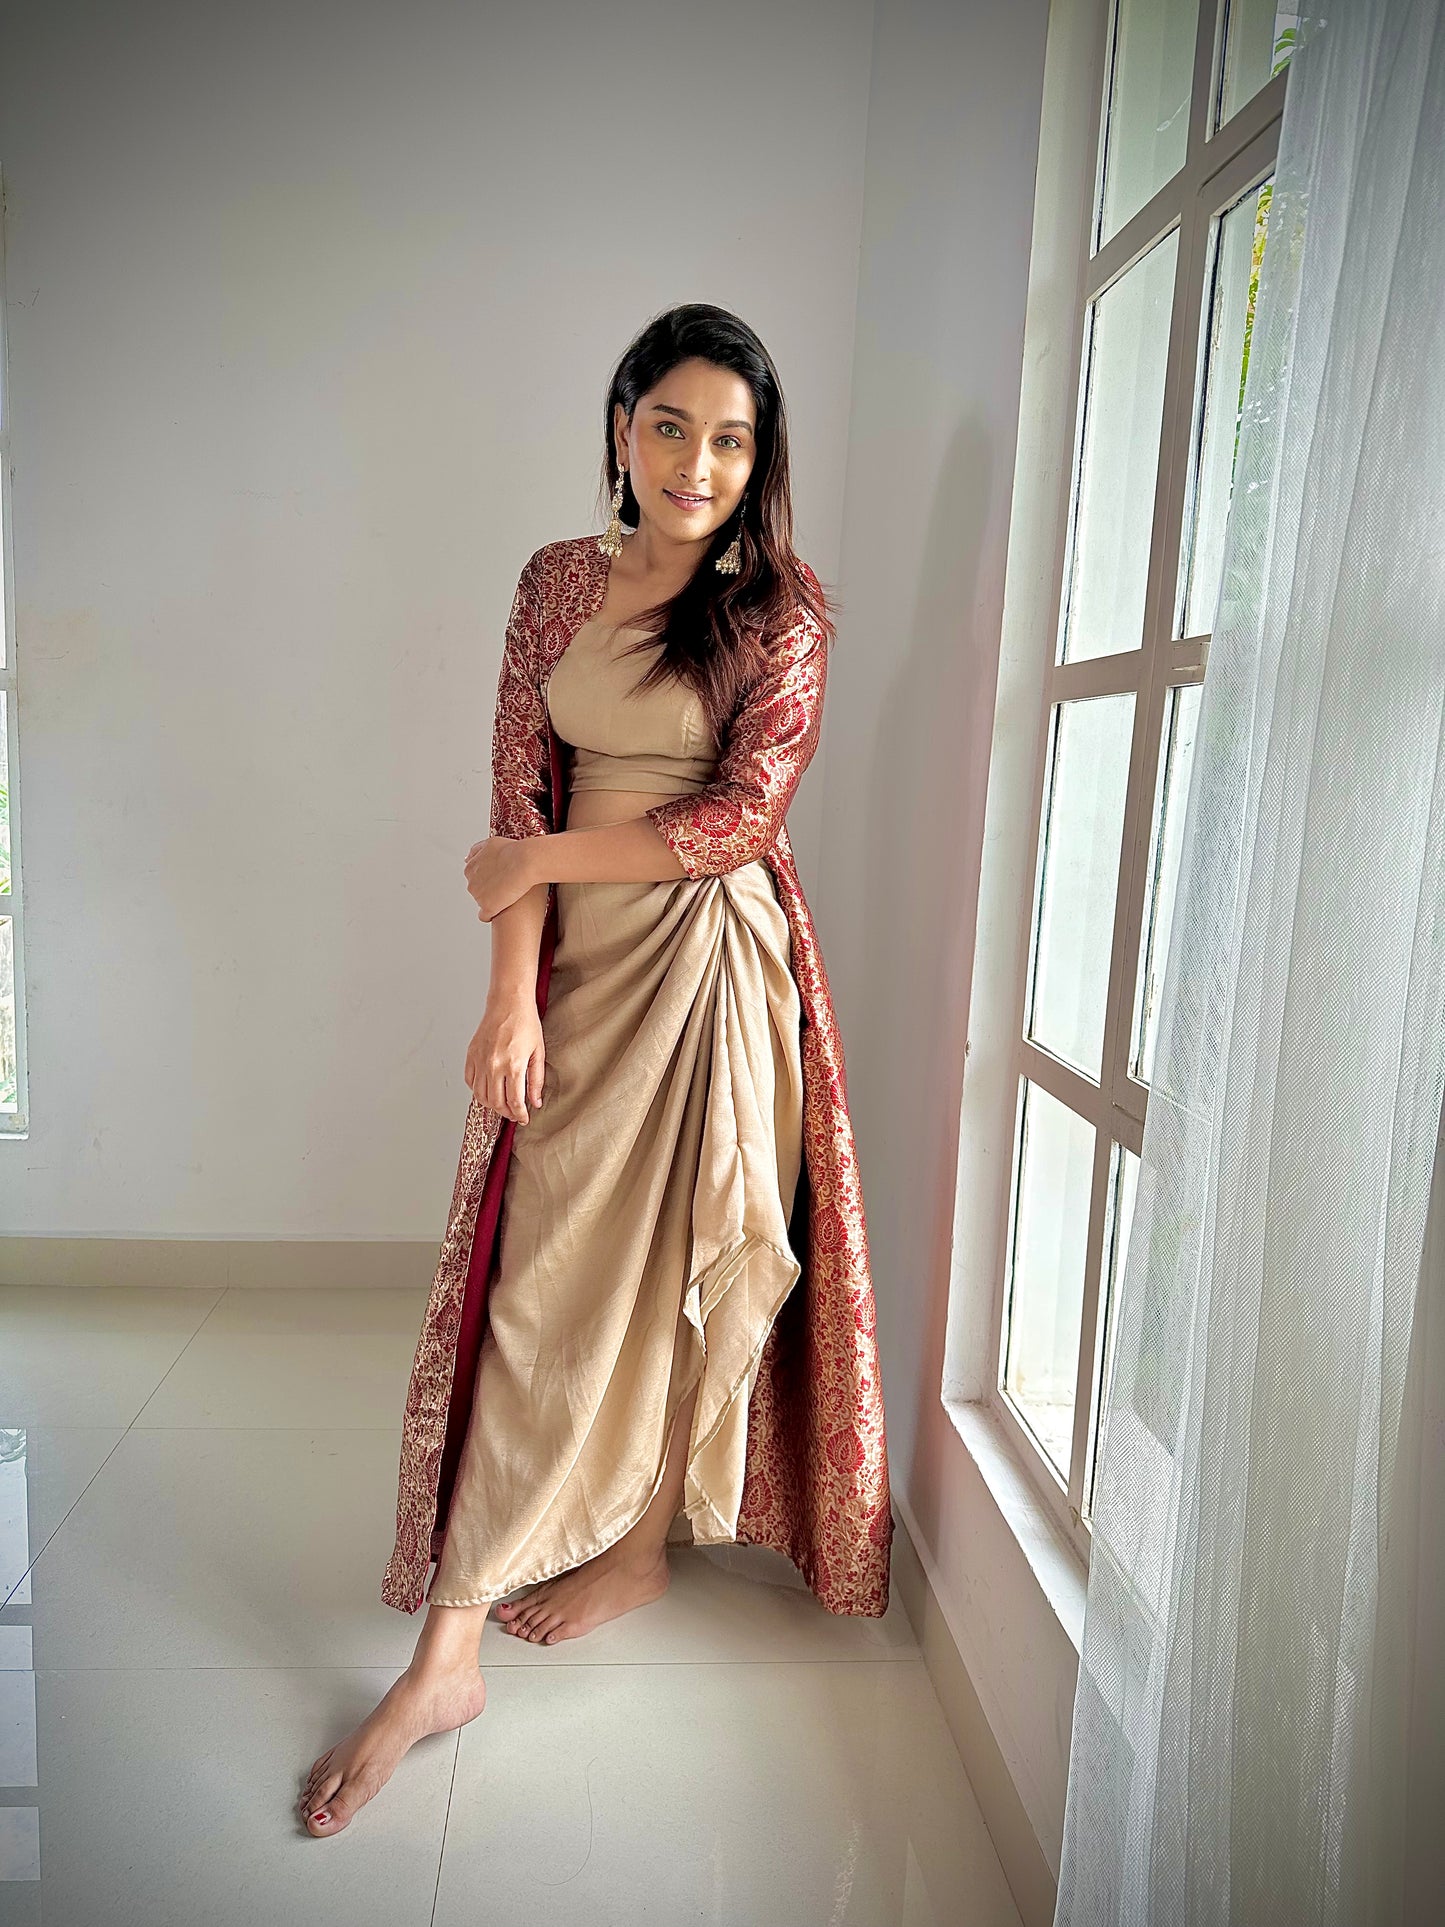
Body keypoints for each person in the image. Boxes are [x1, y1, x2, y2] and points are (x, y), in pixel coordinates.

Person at [299, 303, 890, 1839]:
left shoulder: (782, 610)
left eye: (732, 439)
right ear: (622, 426)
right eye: (670, 425)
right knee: (539, 1281)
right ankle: (454, 1655)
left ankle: (607, 1560)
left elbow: (737, 818)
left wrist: (536, 863)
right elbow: (518, 789)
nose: (698, 463)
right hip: (574, 964)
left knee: (683, 1259)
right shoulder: (555, 579)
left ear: (761, 458)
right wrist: (511, 998)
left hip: (706, 958)